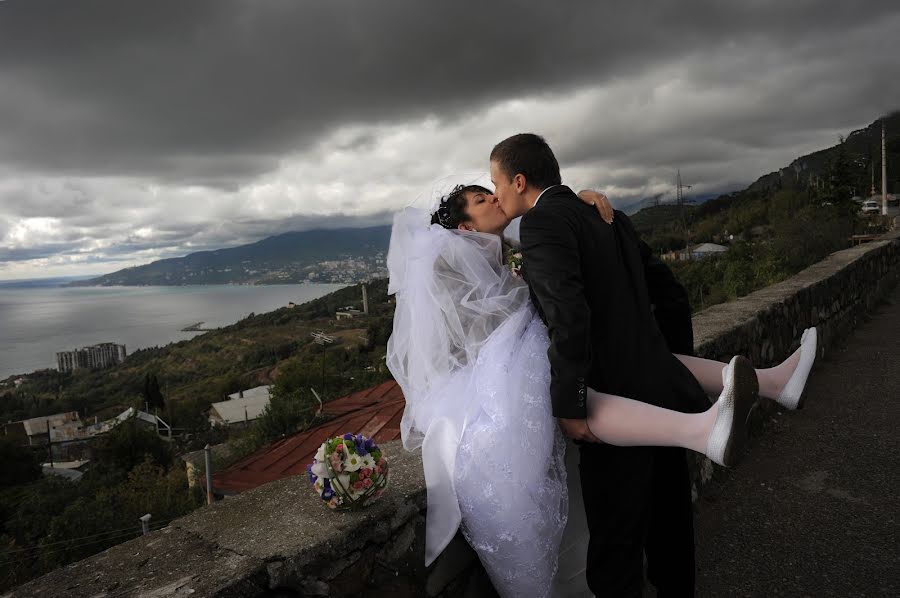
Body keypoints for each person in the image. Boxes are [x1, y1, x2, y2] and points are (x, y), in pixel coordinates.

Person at [386, 179, 816, 597]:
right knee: (588, 387)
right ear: (465, 227)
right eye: (482, 199)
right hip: (496, 379)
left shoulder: (510, 243)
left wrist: (581, 198)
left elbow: (547, 216)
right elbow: (476, 339)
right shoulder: (447, 267)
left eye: (491, 190)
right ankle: (707, 427)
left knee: (626, 360)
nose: (494, 198)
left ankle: (770, 384)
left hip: (541, 357)